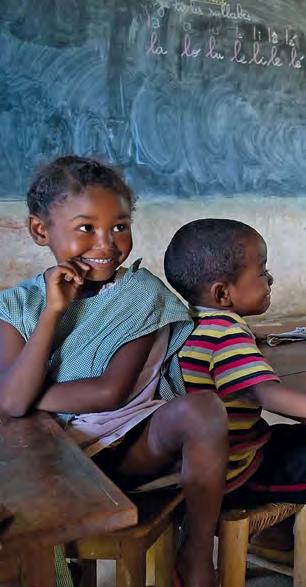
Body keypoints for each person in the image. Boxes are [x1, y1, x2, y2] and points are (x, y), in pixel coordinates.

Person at [0, 156, 228, 587]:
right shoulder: (15, 307)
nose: (106, 243)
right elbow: (10, 404)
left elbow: (109, 393)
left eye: (119, 226)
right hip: (46, 462)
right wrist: (52, 312)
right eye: (86, 228)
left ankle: (197, 553)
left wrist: (23, 393)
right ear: (40, 231)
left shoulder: (140, 293)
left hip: (127, 448)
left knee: (204, 410)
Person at [164, 219, 306, 587]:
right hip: (234, 474)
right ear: (223, 293)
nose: (270, 280)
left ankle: (275, 536)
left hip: (198, 466)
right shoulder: (228, 334)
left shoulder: (191, 322)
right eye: (263, 272)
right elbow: (266, 394)